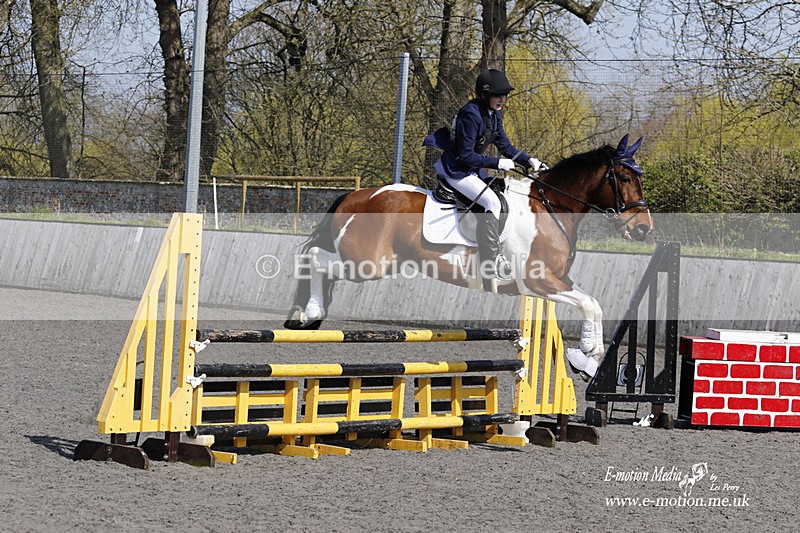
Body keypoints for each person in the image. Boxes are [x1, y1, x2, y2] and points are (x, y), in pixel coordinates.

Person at [423, 69, 544, 290]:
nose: (502, 100)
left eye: (504, 95)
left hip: (473, 170)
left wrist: (529, 161)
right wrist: (497, 163)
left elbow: (505, 146)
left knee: (500, 196)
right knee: (492, 202)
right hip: (457, 170)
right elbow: (465, 155)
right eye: (498, 95)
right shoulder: (471, 114)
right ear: (485, 94)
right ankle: (492, 260)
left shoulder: (493, 113)